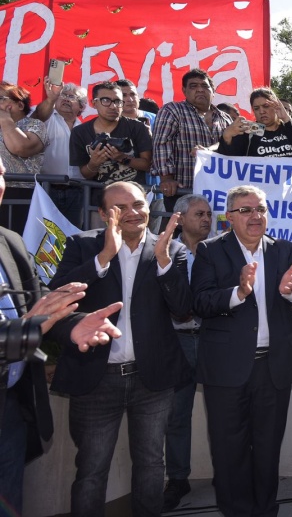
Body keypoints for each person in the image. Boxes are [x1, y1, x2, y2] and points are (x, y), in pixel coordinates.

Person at [48, 181, 192, 516]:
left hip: (151, 381)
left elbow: (183, 308)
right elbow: (55, 300)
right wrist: (103, 258)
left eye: (139, 205)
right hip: (95, 380)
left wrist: (164, 263)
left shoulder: (169, 249)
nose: (133, 213)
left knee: (152, 466)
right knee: (91, 471)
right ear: (102, 214)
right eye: (121, 207)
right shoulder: (82, 246)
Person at [0, 156, 123, 516]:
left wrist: (74, 326)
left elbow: (41, 306)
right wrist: (30, 325)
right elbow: (32, 321)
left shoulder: (9, 241)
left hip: (11, 405)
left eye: (2, 174)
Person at [191, 185, 292, 516]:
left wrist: (291, 292)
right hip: (226, 370)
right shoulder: (210, 251)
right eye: (245, 210)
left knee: (268, 450)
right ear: (229, 218)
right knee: (230, 452)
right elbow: (199, 301)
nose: (255, 216)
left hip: (273, 369)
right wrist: (238, 292)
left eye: (260, 209)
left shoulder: (284, 250)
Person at [162, 194, 212, 511]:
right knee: (176, 416)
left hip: (212, 340)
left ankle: (229, 470)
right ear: (180, 218)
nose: (206, 219)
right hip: (176, 342)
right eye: (199, 214)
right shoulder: (163, 251)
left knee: (225, 410)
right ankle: (178, 479)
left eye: (209, 214)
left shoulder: (219, 251)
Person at [152, 68, 232, 210]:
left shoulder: (225, 118)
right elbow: (162, 144)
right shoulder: (173, 110)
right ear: (184, 91)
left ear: (213, 91)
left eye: (205, 86)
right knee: (181, 229)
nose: (200, 90)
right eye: (193, 86)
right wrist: (167, 179)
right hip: (182, 190)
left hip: (218, 192)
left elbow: (232, 149)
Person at [70, 81, 153, 207]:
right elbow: (85, 173)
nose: (113, 106)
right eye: (106, 100)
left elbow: (147, 164)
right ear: (94, 103)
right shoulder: (79, 132)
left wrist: (122, 158)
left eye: (117, 101)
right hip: (100, 203)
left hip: (132, 199)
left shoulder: (137, 127)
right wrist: (94, 163)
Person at [31, 80, 89, 225]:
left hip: (77, 191)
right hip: (47, 188)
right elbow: (38, 115)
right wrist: (50, 98)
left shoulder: (85, 129)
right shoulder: (47, 118)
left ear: (81, 107)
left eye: (72, 97)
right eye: (63, 95)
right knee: (45, 236)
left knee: (72, 237)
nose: (66, 99)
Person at [0, 80, 49, 231]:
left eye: (0, 99)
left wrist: (4, 118)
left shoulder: (33, 125)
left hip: (20, 195)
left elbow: (21, 148)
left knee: (13, 244)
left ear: (19, 105)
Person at [217, 87, 292, 158]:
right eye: (256, 108)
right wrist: (227, 137)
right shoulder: (249, 130)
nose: (261, 111)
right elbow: (230, 159)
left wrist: (286, 118)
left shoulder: (288, 128)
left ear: (276, 106)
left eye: (266, 106)